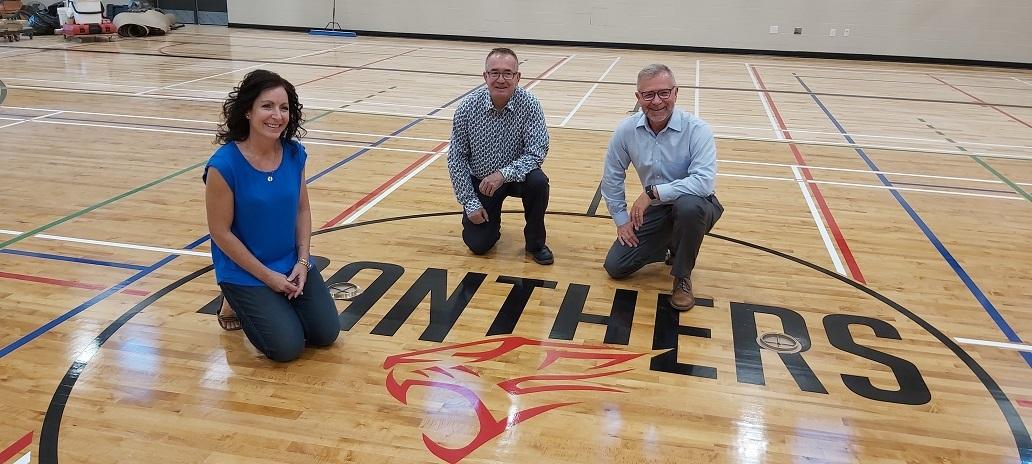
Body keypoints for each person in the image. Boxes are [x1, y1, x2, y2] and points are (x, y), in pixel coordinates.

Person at [204, 69, 340, 362]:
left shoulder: (294, 154)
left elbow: (302, 210)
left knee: (325, 334)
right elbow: (220, 233)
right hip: (246, 270)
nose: (276, 115)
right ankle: (232, 299)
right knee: (286, 348)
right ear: (248, 111)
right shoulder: (223, 166)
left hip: (289, 263)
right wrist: (269, 278)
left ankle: (272, 303)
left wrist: (303, 262)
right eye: (267, 106)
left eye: (284, 108)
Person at [600, 64, 724, 311]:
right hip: (657, 210)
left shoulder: (698, 130)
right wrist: (622, 220)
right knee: (616, 266)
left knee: (688, 208)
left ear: (676, 93)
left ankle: (682, 277)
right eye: (648, 95)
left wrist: (652, 192)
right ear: (638, 98)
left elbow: (703, 182)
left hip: (698, 204)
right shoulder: (626, 131)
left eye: (664, 93)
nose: (656, 101)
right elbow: (612, 177)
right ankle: (671, 241)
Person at [447, 47, 554, 264]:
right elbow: (456, 158)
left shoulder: (530, 104)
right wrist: (470, 203)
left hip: (517, 178)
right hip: (483, 182)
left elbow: (536, 152)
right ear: (485, 76)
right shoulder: (467, 108)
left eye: (508, 73)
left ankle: (535, 243)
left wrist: (503, 174)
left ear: (518, 77)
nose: (501, 79)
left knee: (539, 182)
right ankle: (491, 225)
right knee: (478, 246)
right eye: (494, 73)